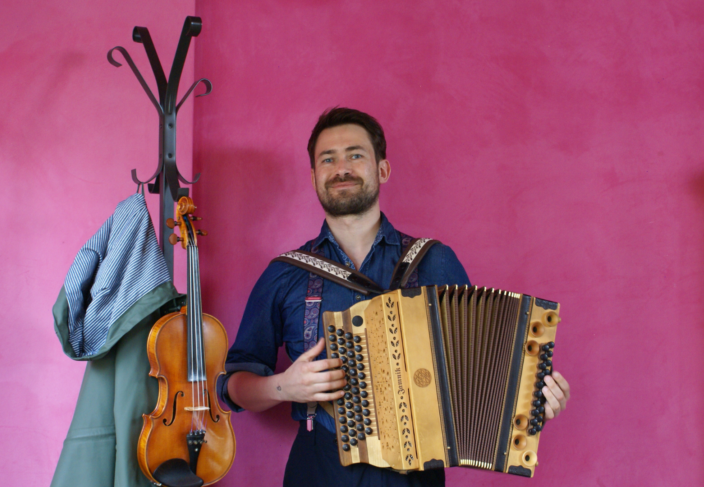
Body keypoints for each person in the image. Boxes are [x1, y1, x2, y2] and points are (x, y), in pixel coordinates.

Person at [217, 107, 571, 486]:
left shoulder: (435, 260)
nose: (342, 168)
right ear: (314, 176)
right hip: (320, 469)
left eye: (355, 154)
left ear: (382, 170)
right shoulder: (286, 273)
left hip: (416, 476)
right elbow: (233, 388)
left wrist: (533, 401)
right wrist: (284, 386)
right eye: (328, 159)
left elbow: (485, 367)